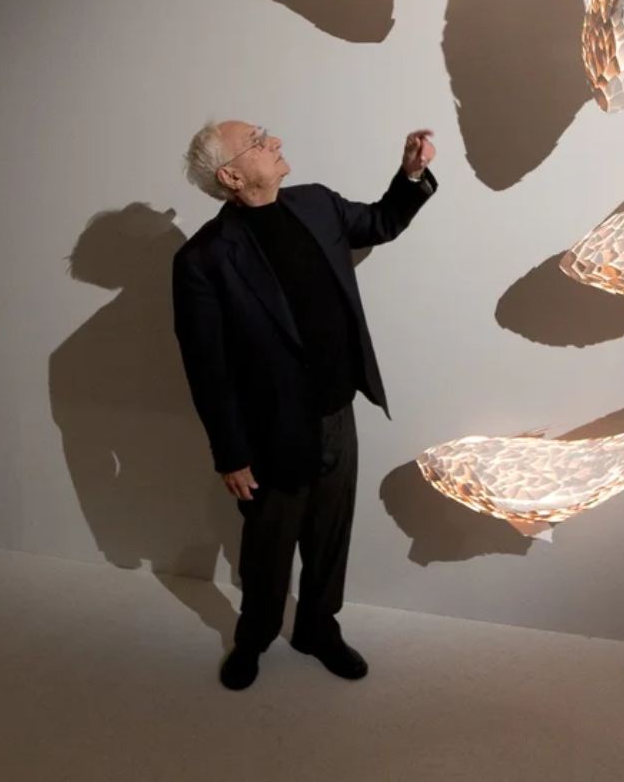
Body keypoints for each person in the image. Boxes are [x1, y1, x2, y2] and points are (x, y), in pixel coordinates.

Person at [172, 120, 437, 690]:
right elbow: (207, 369)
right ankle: (254, 637)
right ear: (232, 176)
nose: (275, 143)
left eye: (266, 134)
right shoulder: (203, 258)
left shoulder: (316, 203)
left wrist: (411, 175)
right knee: (268, 548)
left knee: (329, 535)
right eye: (258, 142)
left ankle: (318, 628)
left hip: (338, 410)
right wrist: (231, 454)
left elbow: (381, 221)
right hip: (271, 431)